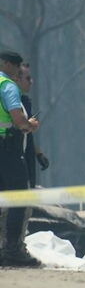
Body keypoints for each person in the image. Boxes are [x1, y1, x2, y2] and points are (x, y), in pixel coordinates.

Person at [0, 50, 40, 267]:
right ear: (6, 64)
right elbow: (17, 117)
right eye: (15, 66)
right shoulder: (7, 86)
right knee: (18, 198)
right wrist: (29, 125)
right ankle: (12, 249)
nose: (17, 70)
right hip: (7, 148)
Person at [14, 63, 50, 188]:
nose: (31, 82)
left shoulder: (25, 101)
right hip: (13, 157)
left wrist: (38, 154)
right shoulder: (11, 102)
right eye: (28, 78)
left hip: (26, 156)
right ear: (16, 79)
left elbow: (27, 135)